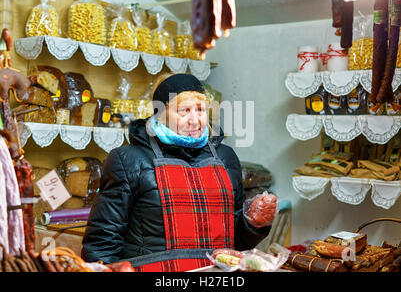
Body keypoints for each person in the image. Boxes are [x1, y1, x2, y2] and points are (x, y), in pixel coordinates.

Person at [81, 73, 277, 271]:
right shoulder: (127, 159)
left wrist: (254, 223)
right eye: (183, 111)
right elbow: (103, 238)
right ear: (162, 115)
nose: (194, 120)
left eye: (200, 110)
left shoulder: (225, 157)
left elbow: (238, 243)